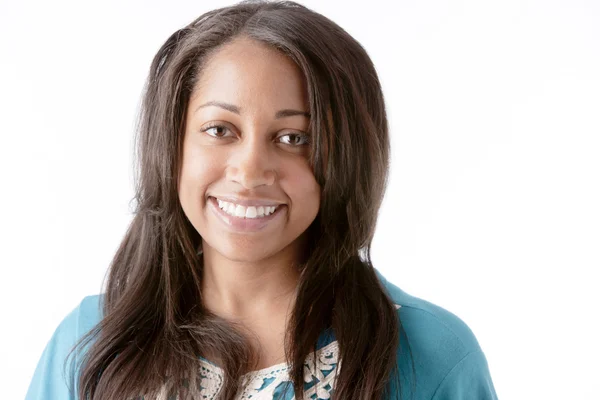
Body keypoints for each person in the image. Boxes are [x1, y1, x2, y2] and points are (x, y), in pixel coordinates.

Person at [26, 1, 498, 399]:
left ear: (348, 158)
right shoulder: (89, 344)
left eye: (293, 137)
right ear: (172, 146)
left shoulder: (431, 357)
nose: (250, 171)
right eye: (219, 130)